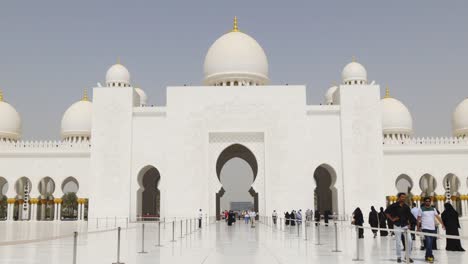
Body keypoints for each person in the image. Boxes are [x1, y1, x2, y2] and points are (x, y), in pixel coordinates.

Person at [385, 192, 415, 263]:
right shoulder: (394, 206)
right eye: (402, 197)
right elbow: (386, 212)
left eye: (404, 197)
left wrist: (409, 223)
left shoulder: (406, 206)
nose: (403, 198)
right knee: (398, 242)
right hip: (397, 225)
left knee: (410, 241)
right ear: (398, 197)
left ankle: (408, 256)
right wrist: (392, 219)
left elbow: (409, 216)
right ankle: (399, 256)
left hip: (405, 225)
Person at [417, 197, 445, 263]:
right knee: (429, 242)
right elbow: (418, 219)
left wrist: (442, 224)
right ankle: (430, 256)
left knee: (430, 243)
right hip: (425, 228)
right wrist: (418, 228)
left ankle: (427, 256)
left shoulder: (433, 209)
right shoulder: (421, 209)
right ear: (424, 202)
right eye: (426, 201)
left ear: (430, 202)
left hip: (432, 228)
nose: (428, 202)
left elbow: (438, 217)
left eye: (429, 201)